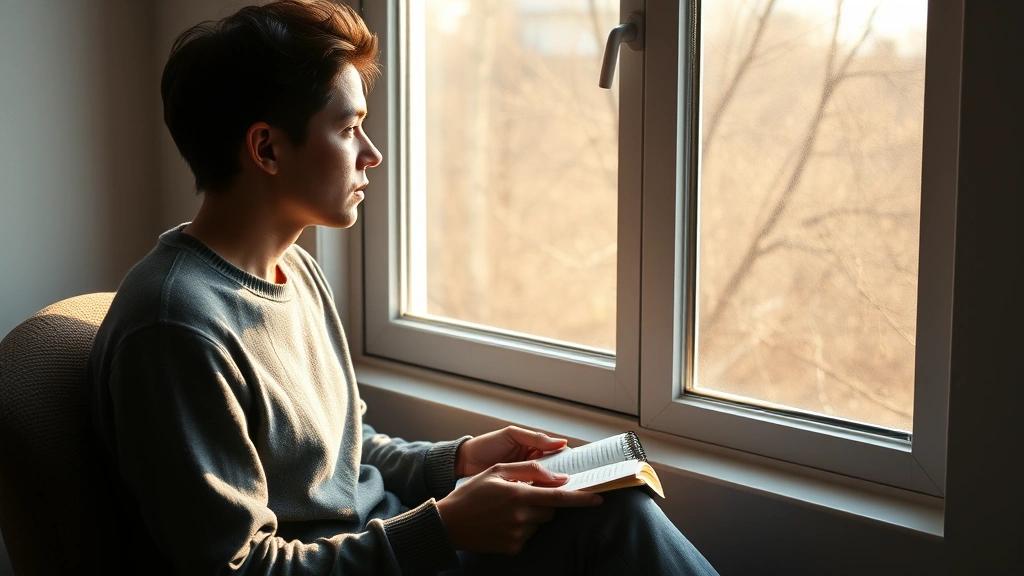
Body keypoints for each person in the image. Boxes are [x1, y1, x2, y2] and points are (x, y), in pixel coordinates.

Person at [86, 1, 720, 574]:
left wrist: (460, 461)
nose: (373, 154)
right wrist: (440, 529)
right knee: (614, 524)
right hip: (392, 559)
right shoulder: (174, 327)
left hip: (395, 547)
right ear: (266, 149)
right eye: (348, 128)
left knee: (611, 506)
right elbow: (237, 568)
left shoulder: (295, 270)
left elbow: (346, 461)